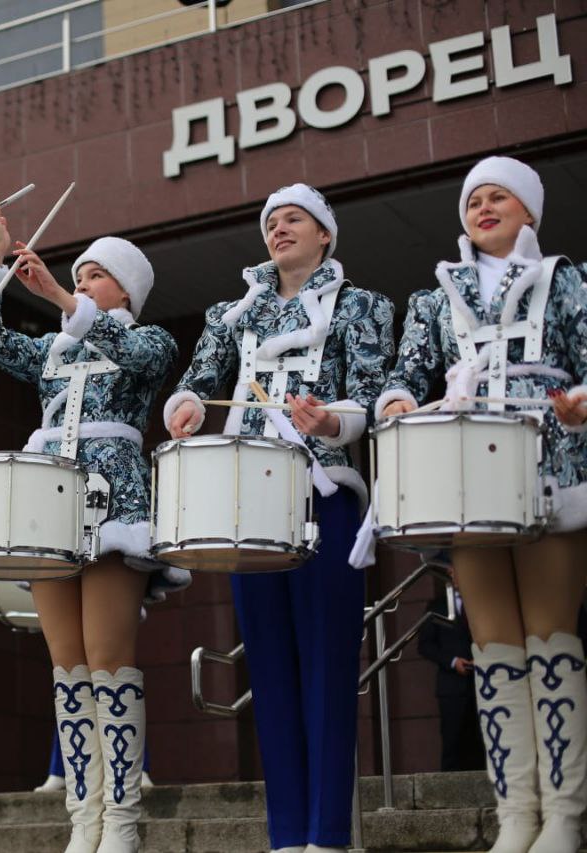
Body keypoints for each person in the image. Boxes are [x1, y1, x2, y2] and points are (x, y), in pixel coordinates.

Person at [164, 184, 395, 853]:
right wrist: (183, 406)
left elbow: (378, 394)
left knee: (326, 664)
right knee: (267, 668)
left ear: (325, 233)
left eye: (294, 218)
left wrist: (331, 419)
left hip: (324, 493)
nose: (279, 228)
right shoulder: (232, 312)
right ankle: (286, 836)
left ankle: (328, 835)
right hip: (247, 500)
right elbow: (198, 378)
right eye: (270, 221)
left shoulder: (364, 306)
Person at [376, 156, 587, 853]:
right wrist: (402, 399)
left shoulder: (566, 278)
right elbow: (406, 373)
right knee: (493, 646)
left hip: (548, 455)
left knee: (550, 636)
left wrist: (582, 404)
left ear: (530, 211)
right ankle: (516, 814)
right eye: (475, 199)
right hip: (467, 469)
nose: (485, 206)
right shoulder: (435, 296)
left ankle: (563, 815)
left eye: (501, 196)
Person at [0, 189, 183, 852]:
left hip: (112, 495)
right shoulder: (54, 350)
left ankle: (121, 817)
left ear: (126, 290)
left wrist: (65, 299)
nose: (84, 280)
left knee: (107, 656)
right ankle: (83, 815)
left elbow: (147, 363)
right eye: (81, 272)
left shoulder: (147, 335)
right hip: (49, 498)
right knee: (66, 664)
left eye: (97, 274)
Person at [416, 576, 485, 773]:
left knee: (483, 737)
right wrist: (453, 662)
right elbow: (425, 645)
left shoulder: (482, 602)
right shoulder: (437, 607)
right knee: (452, 739)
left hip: (481, 680)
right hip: (451, 686)